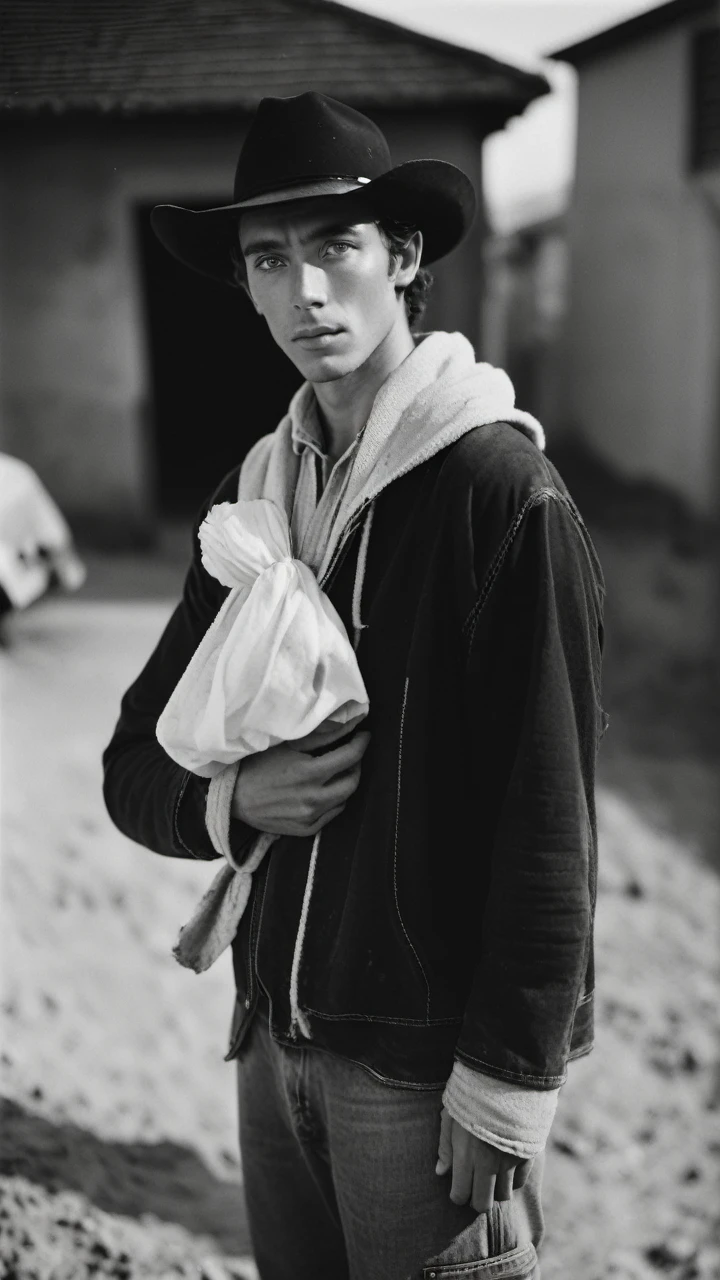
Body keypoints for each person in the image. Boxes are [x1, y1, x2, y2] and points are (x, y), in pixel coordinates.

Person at [103, 93, 607, 1280]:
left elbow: (551, 820)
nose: (304, 293)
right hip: (271, 1043)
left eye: (334, 247)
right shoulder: (257, 498)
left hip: (419, 1076)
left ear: (405, 256)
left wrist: (504, 1086)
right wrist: (240, 799)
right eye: (267, 260)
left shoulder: (502, 494)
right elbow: (138, 763)